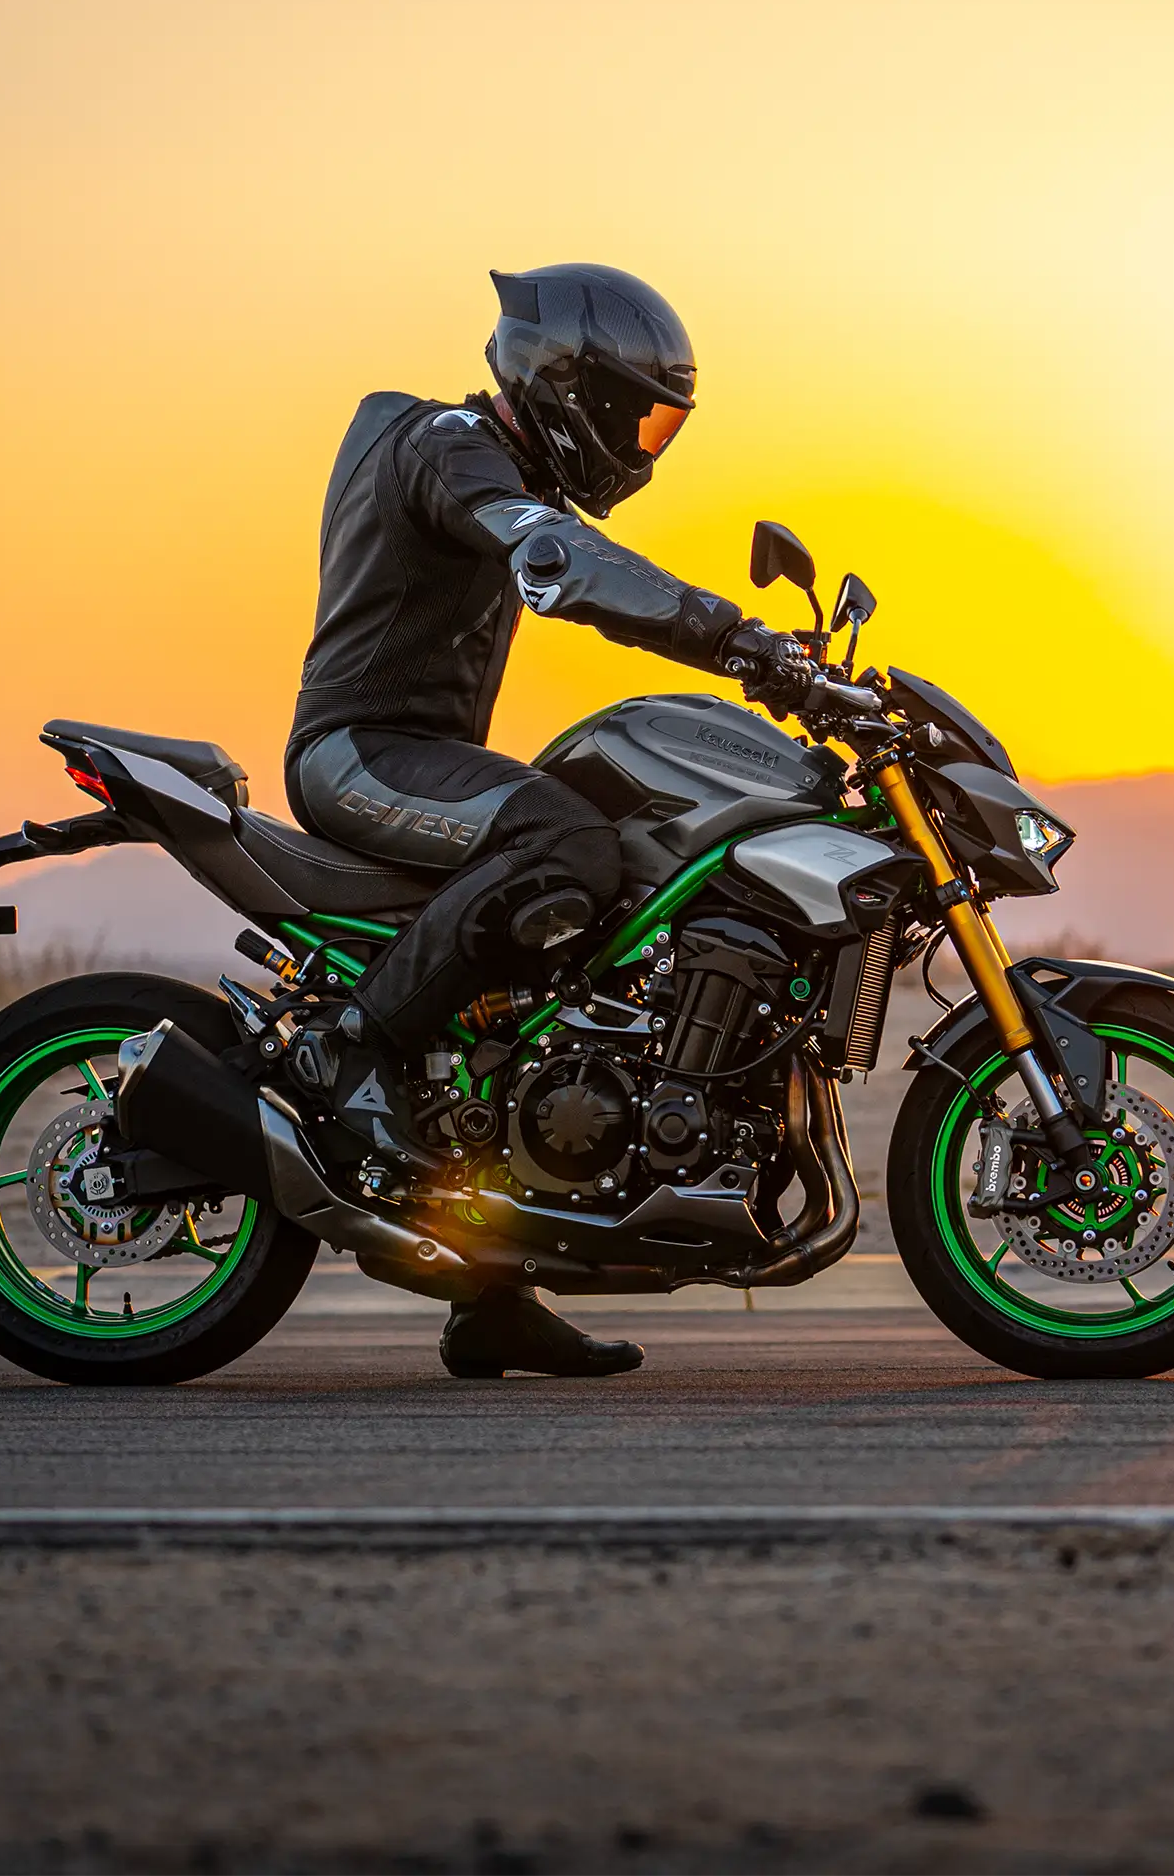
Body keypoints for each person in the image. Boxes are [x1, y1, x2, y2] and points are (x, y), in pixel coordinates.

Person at [285, 263, 806, 1380]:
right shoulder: (447, 449)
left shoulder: (493, 463)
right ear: (572, 385)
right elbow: (564, 563)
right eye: (643, 418)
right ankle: (348, 1050)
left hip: (424, 756)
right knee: (566, 840)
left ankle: (493, 1292)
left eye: (666, 427)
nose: (648, 447)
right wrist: (739, 640)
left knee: (567, 949)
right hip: (359, 751)